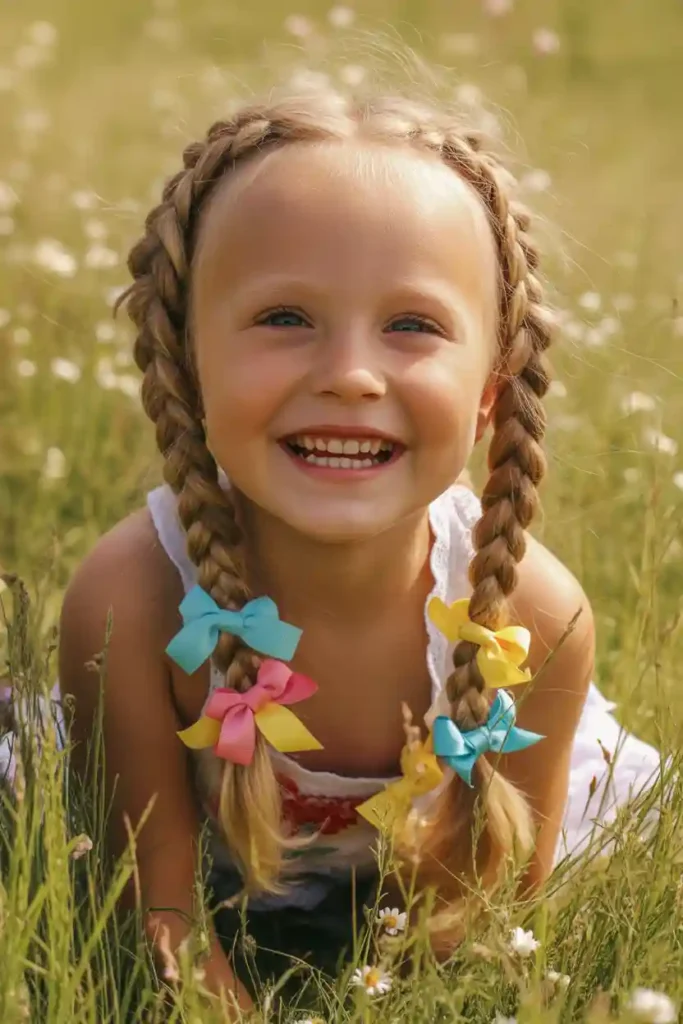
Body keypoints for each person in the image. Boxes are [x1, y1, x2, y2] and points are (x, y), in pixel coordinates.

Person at [58, 84, 662, 1010]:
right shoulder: (133, 599)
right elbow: (157, 914)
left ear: (490, 392)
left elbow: (478, 928)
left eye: (412, 326)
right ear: (186, 365)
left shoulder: (534, 618)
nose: (348, 375)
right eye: (284, 318)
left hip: (421, 915)